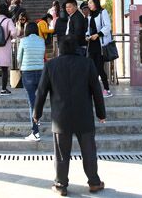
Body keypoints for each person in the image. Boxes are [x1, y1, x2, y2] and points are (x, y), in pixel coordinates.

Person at [34, 37, 106, 196]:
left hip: (61, 118)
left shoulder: (51, 65)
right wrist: (101, 114)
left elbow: (41, 91)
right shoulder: (87, 63)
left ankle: (61, 185)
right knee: (89, 151)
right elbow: (97, 91)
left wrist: (36, 113)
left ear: (60, 49)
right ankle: (94, 183)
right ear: (77, 48)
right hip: (84, 115)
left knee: (61, 154)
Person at [17, 22, 46, 142]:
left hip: (27, 73)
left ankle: (35, 132)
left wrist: (20, 67)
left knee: (32, 101)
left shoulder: (23, 41)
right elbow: (43, 55)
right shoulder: (41, 40)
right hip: (41, 72)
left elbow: (19, 58)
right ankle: (37, 119)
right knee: (39, 99)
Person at [86, 0, 113, 98]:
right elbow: (89, 29)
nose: (89, 5)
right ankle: (93, 90)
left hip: (100, 44)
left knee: (99, 68)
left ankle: (107, 90)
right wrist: (87, 35)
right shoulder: (90, 15)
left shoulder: (103, 12)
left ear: (96, 2)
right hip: (92, 44)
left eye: (91, 2)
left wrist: (98, 35)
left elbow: (108, 26)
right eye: (88, 3)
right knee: (91, 68)